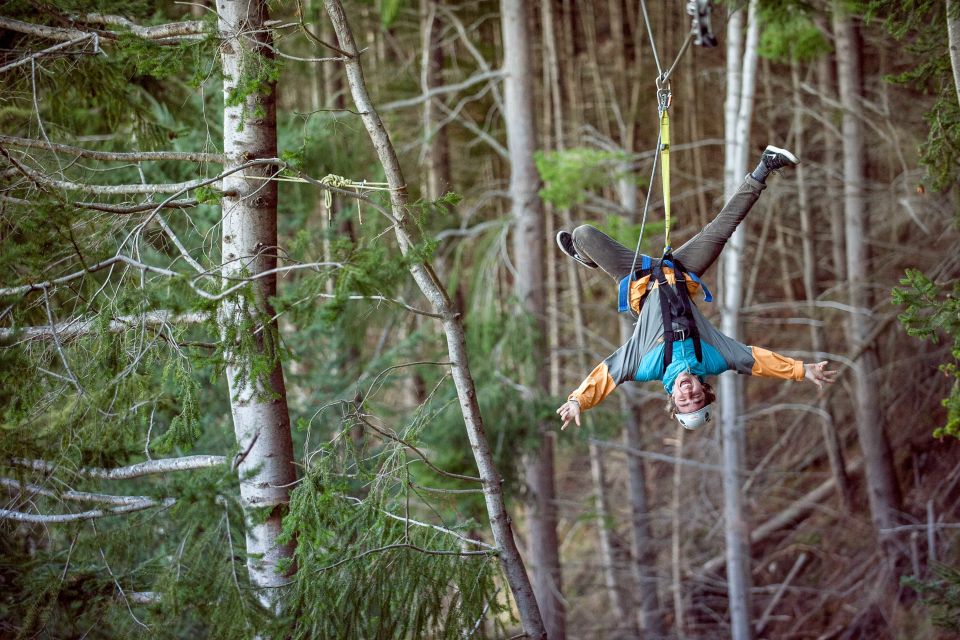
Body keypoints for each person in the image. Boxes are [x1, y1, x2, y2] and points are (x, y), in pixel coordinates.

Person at [555, 145, 837, 431]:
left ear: (672, 398)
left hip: (641, 278)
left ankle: (584, 254)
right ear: (705, 391)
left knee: (583, 234)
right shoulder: (715, 357)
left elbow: (606, 374)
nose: (689, 395)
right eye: (697, 399)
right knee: (722, 228)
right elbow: (759, 361)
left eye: (684, 402)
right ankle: (766, 165)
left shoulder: (643, 365)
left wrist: (579, 400)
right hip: (680, 271)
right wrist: (802, 370)